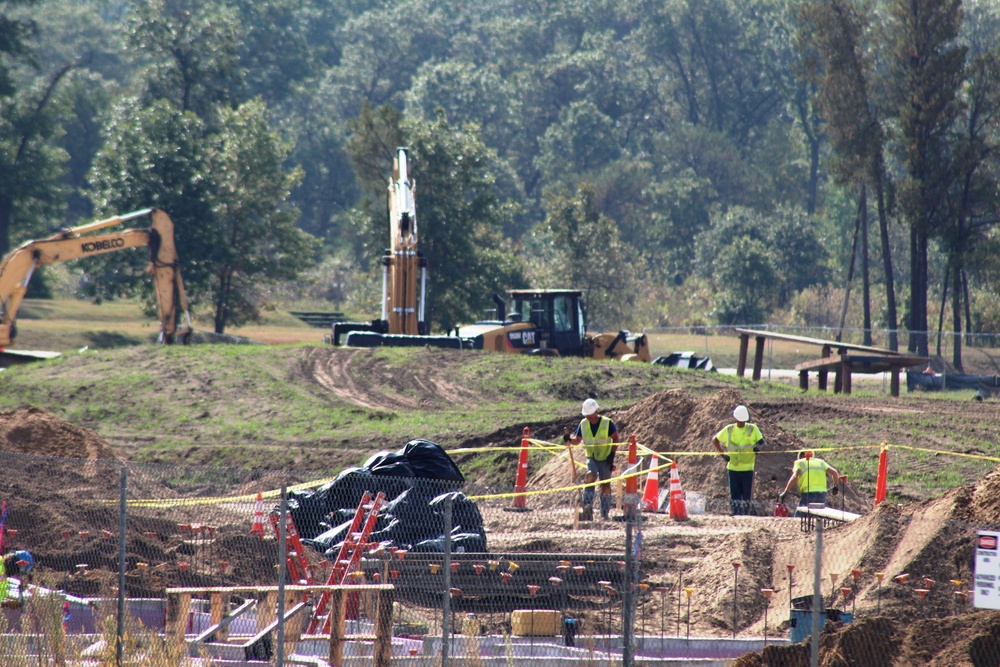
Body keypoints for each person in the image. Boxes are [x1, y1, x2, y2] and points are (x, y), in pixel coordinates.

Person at [564, 398, 620, 521]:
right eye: (587, 415)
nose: (590, 418)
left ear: (596, 411)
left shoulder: (607, 423)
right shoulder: (583, 424)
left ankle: (604, 513)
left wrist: (612, 455)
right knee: (591, 476)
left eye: (591, 415)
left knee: (605, 485)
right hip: (591, 457)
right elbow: (577, 441)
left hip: (605, 458)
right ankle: (587, 508)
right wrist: (568, 439)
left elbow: (616, 438)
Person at [712, 405, 765, 515]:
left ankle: (747, 514)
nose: (742, 423)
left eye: (743, 421)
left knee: (747, 496)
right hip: (733, 468)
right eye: (740, 421)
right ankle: (736, 514)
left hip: (748, 468)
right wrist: (722, 454)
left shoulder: (752, 428)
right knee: (734, 496)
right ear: (735, 418)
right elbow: (715, 440)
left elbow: (762, 442)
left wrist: (758, 447)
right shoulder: (729, 429)